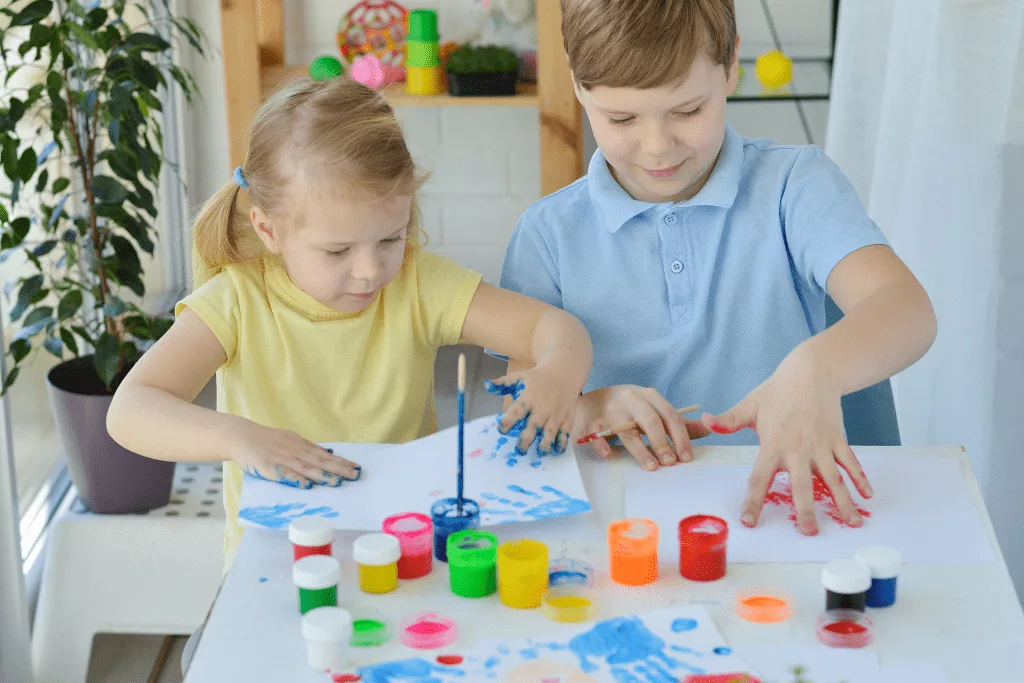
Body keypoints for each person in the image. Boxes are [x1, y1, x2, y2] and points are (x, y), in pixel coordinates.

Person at [106, 76, 593, 572]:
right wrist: (238, 437)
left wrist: (556, 374)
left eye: (390, 238)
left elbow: (552, 328)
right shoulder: (236, 301)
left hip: (408, 556)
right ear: (267, 229)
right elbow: (130, 411)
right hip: (278, 569)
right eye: (337, 250)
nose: (370, 270)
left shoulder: (415, 282)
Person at [499, 0, 937, 535]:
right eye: (622, 119)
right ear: (577, 85)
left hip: (817, 520)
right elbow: (523, 405)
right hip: (638, 531)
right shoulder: (546, 235)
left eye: (688, 111)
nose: (658, 147)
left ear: (731, 65)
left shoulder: (796, 185)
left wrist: (812, 371)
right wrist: (589, 408)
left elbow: (907, 311)